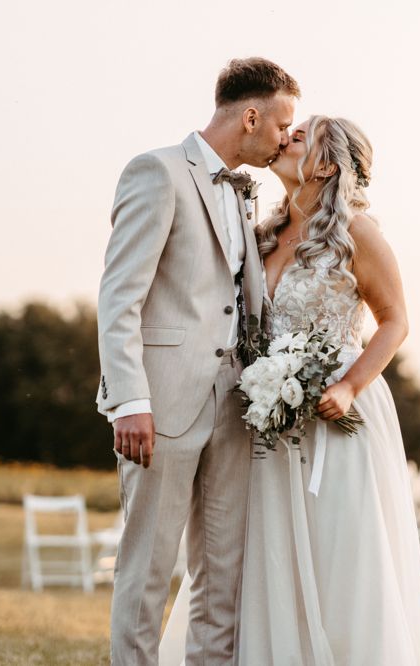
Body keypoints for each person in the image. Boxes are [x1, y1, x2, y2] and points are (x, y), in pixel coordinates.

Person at [159, 115, 420, 665]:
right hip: (266, 417)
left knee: (337, 554)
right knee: (263, 551)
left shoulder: (357, 232)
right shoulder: (262, 233)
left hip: (335, 414)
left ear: (328, 163)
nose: (286, 137)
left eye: (300, 135)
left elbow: (394, 321)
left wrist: (351, 386)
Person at [96, 57, 299, 666]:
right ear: (251, 115)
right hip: (160, 409)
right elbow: (119, 296)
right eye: (283, 125)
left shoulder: (244, 194)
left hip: (235, 407)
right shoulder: (156, 172)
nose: (287, 138)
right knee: (150, 573)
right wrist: (131, 401)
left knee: (223, 576)